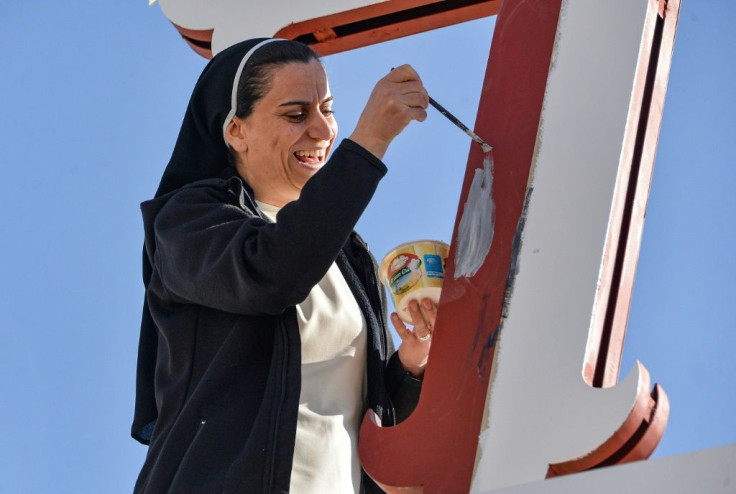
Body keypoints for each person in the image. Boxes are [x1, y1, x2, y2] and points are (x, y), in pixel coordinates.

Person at [131, 37, 436, 493]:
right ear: (236, 130)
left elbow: (368, 412)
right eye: (296, 114)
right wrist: (369, 140)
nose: (322, 130)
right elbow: (269, 274)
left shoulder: (347, 255)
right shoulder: (185, 224)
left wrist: (412, 364)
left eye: (327, 110)